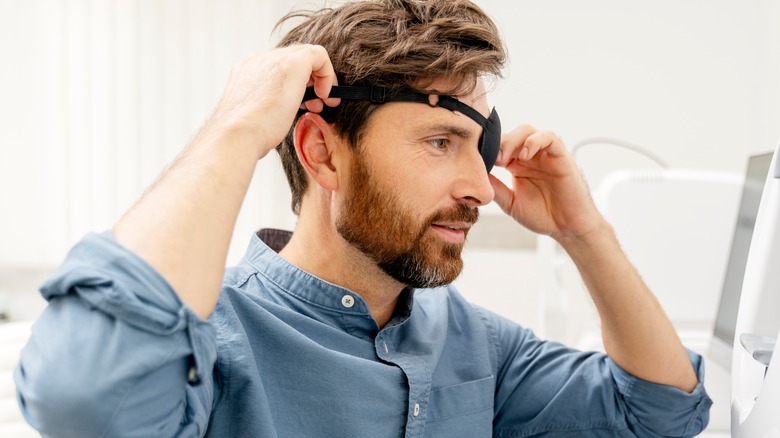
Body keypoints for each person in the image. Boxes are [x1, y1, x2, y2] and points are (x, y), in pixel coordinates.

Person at [15, 0, 711, 436]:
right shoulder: (216, 348)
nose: (479, 185)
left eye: (480, 148)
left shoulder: (475, 345)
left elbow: (657, 410)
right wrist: (237, 127)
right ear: (322, 151)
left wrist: (582, 233)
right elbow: (83, 401)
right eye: (441, 142)